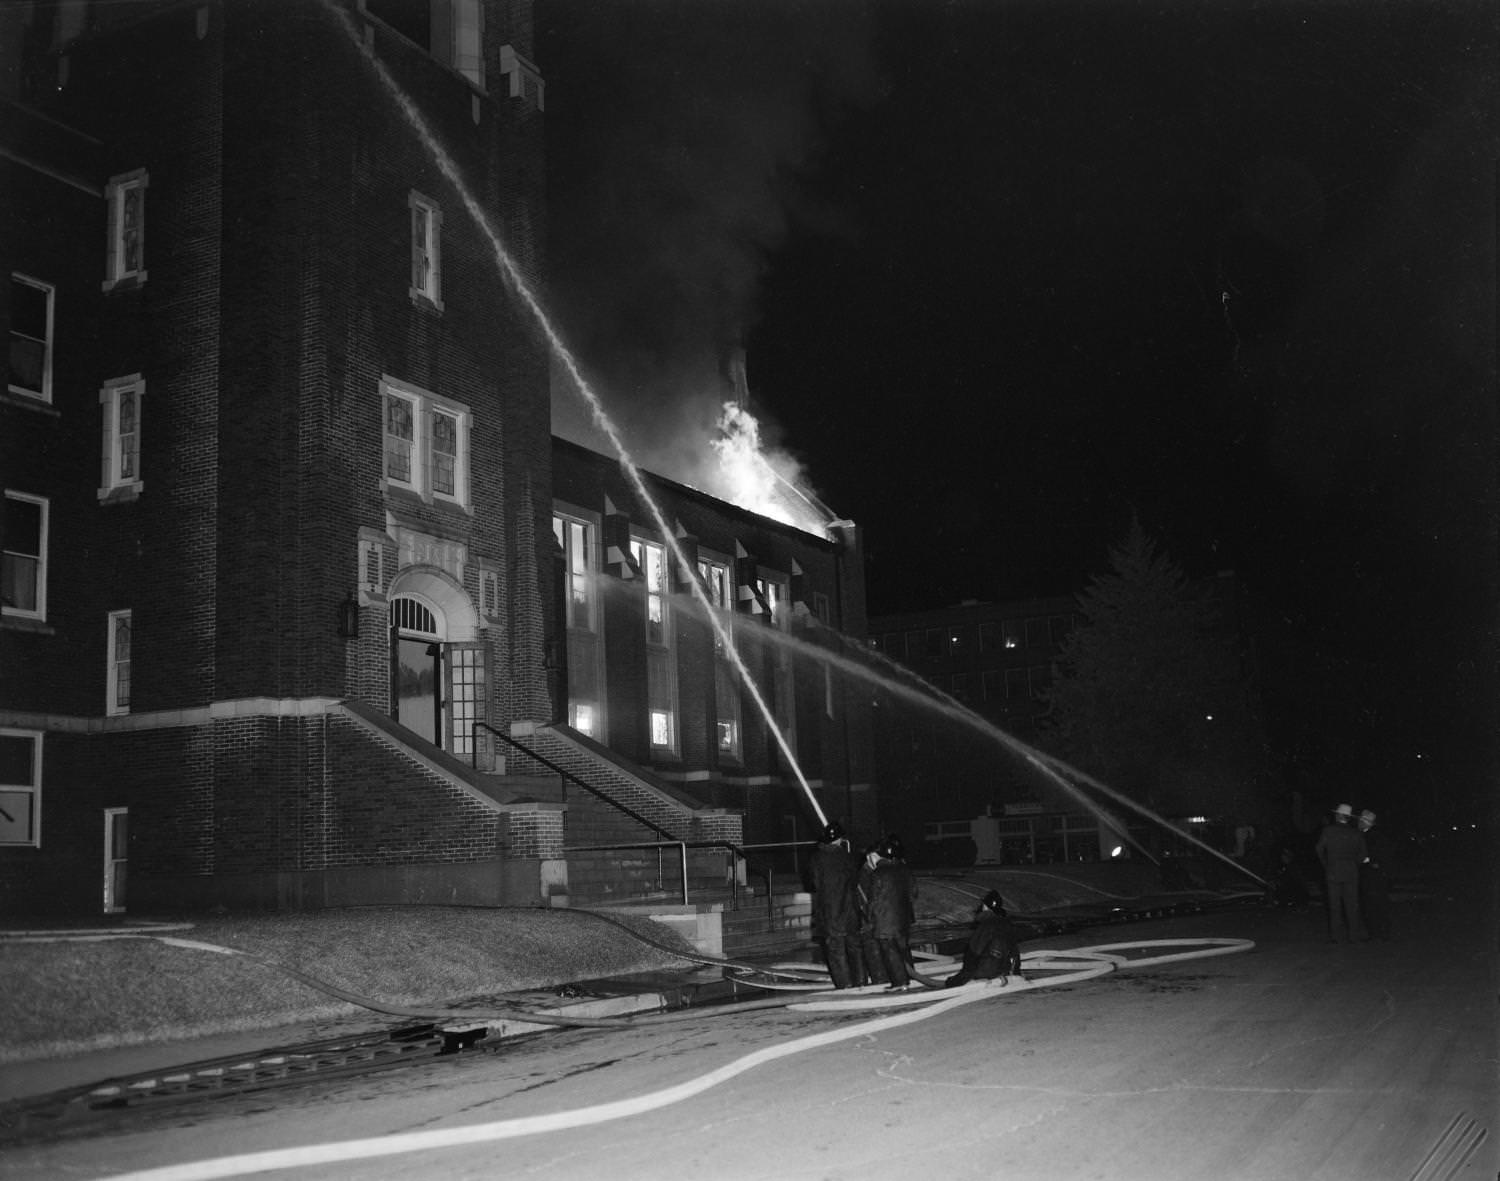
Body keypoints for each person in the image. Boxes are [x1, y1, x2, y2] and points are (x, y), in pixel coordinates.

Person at [807, 821, 866, 989]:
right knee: (855, 948)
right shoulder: (848, 857)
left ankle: (844, 985)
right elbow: (854, 881)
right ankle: (861, 982)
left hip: (830, 913)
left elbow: (814, 883)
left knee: (836, 951)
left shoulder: (817, 859)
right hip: (850, 912)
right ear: (840, 839)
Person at [858, 834, 918, 990]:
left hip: (884, 920)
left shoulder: (878, 873)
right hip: (903, 919)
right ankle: (910, 977)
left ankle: (900, 982)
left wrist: (871, 917)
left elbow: (874, 900)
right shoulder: (904, 869)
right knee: (903, 949)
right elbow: (913, 893)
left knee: (890, 952)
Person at [944, 890, 1026, 988]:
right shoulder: (1006, 924)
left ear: (985, 907)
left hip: (986, 973)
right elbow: (1014, 953)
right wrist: (1015, 974)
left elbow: (972, 958)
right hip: (1004, 971)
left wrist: (955, 981)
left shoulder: (985, 926)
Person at [1315, 803, 1368, 943]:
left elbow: (1319, 849)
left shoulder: (1328, 831)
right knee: (1352, 905)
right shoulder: (1356, 832)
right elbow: (1363, 854)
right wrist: (1353, 864)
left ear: (1338, 815)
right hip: (1351, 872)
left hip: (1333, 871)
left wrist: (1326, 864)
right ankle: (1354, 935)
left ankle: (1337, 937)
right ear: (1349, 818)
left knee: (1335, 906)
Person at [1357, 809, 1392, 940]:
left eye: (1361, 820)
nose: (1359, 822)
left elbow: (1376, 856)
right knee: (1376, 904)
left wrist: (1368, 860)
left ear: (1367, 822)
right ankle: (1380, 931)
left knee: (1372, 905)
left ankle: (1377, 932)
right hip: (1374, 875)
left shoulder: (1370, 836)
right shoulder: (1371, 835)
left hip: (1372, 876)